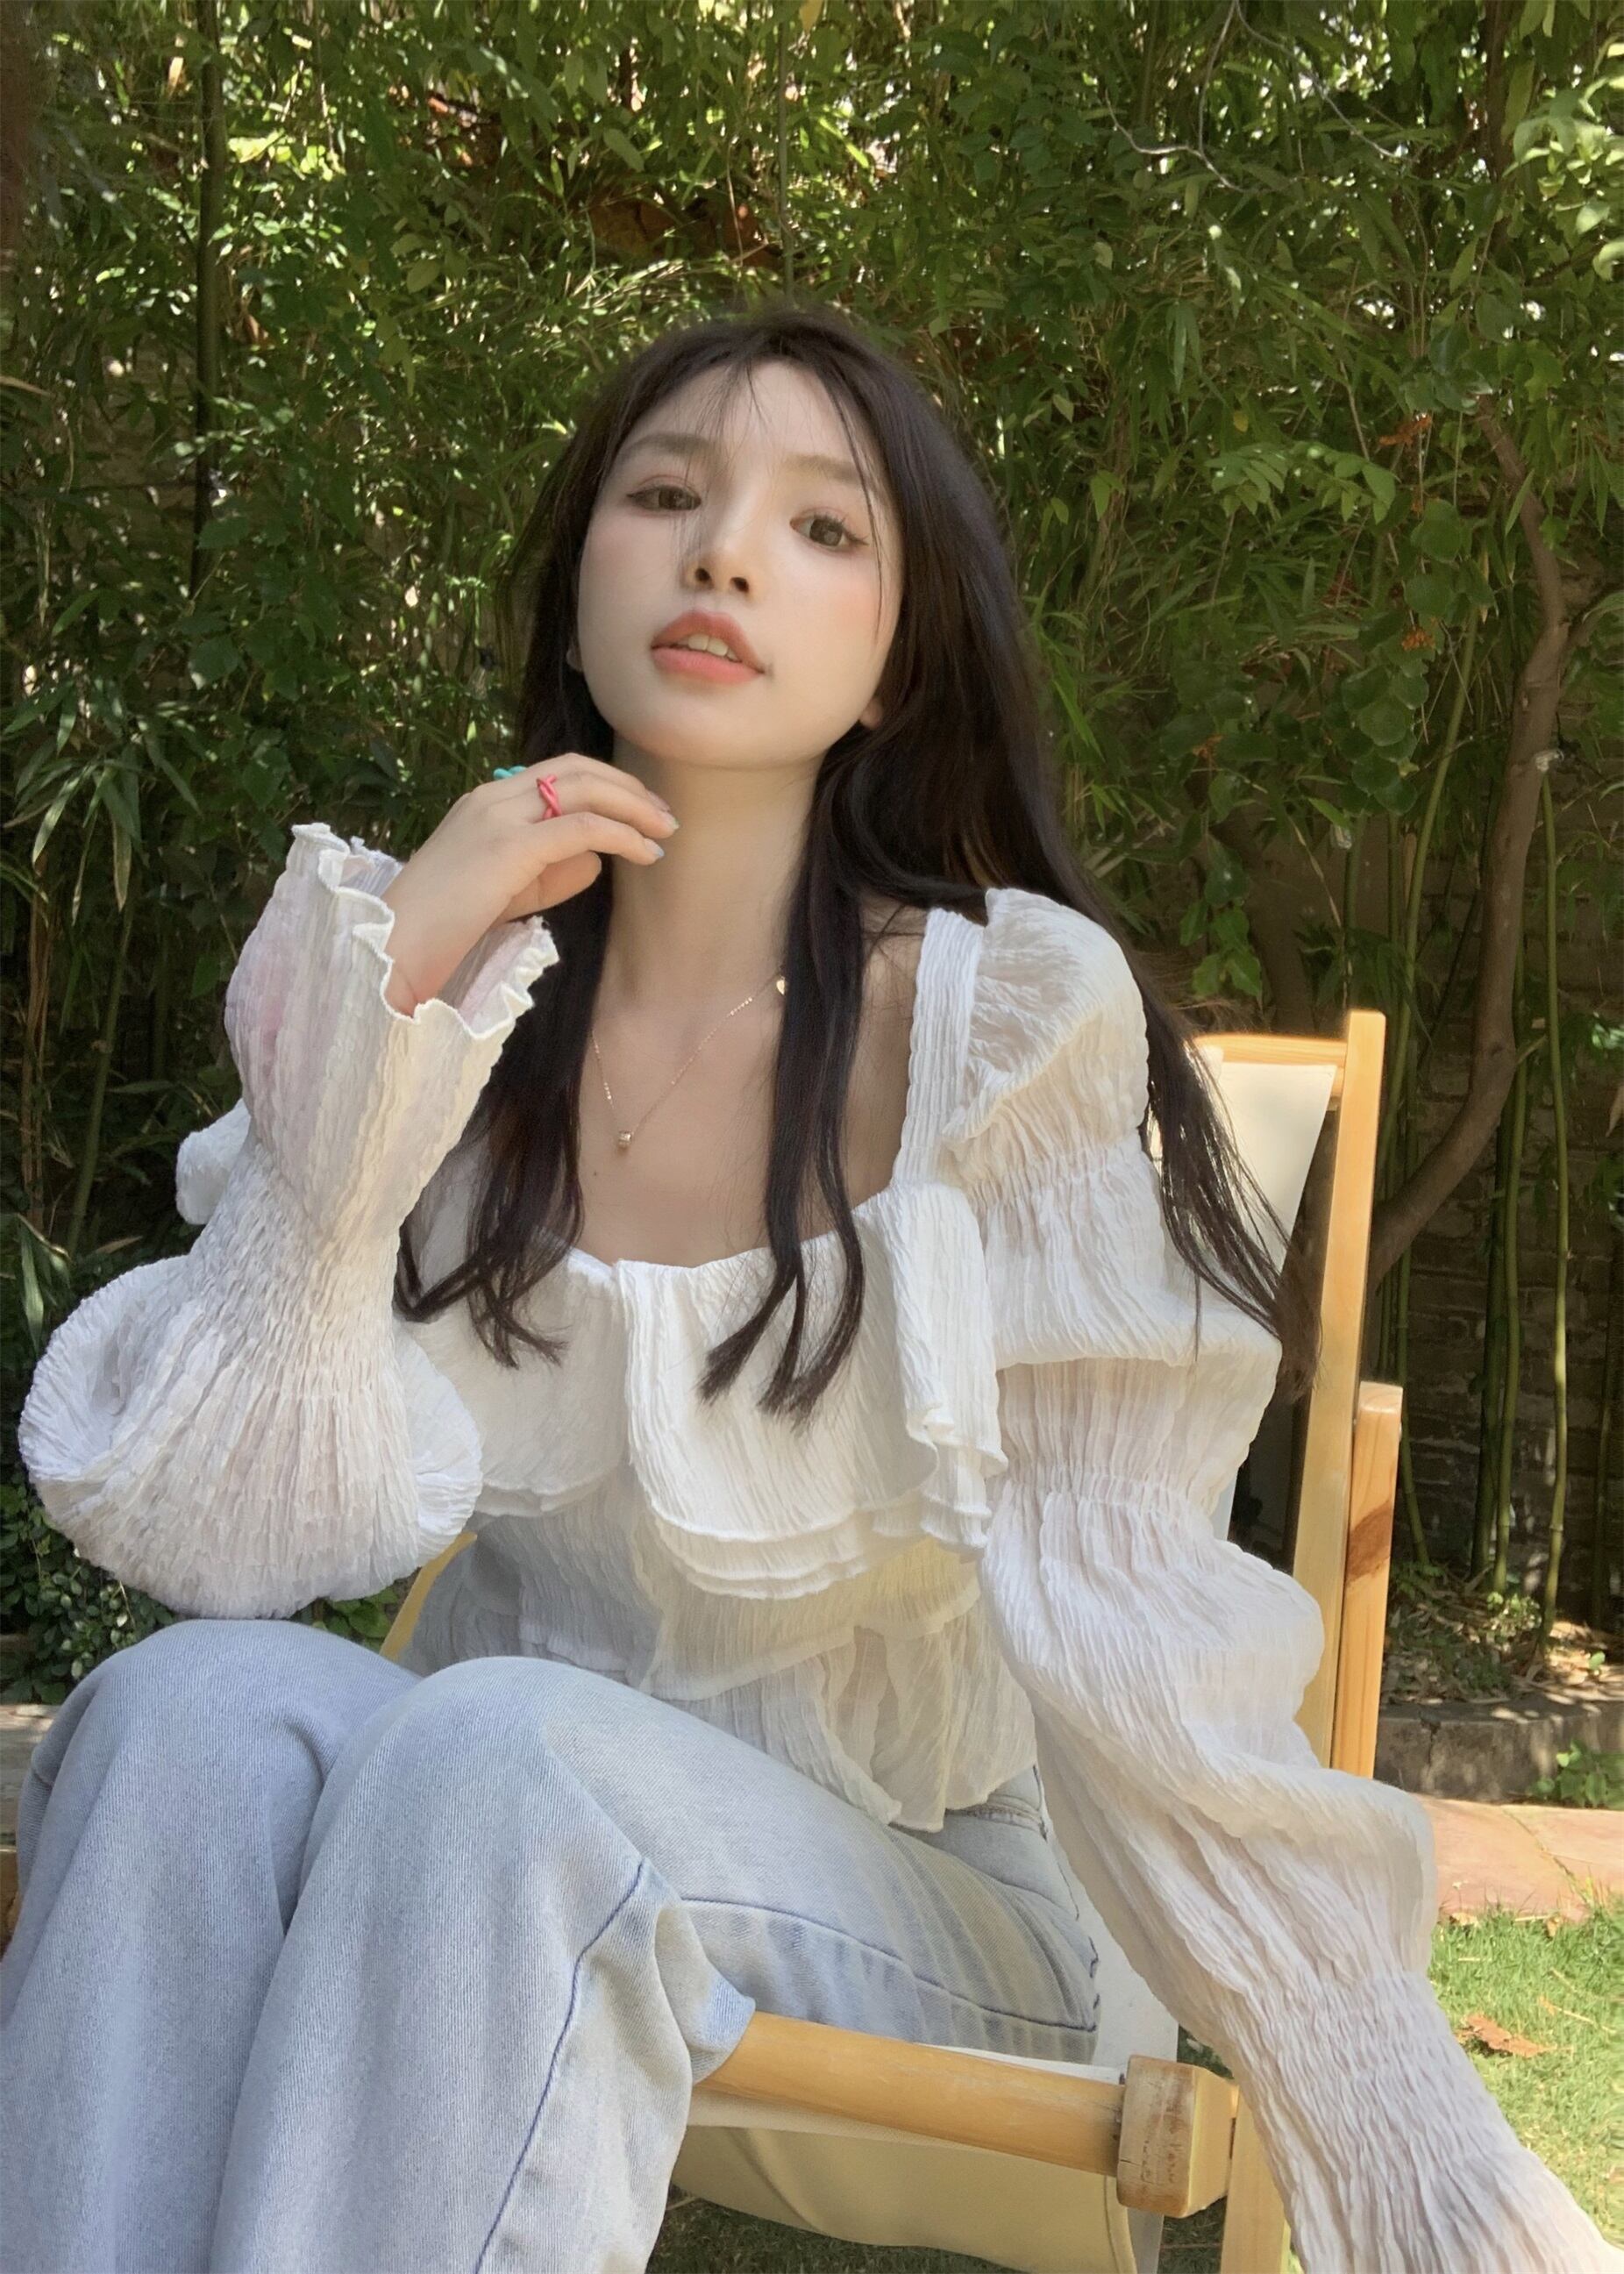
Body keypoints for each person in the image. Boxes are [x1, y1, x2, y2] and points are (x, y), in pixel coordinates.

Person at [2, 302, 1613, 2274]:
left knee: (504, 1755)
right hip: (480, 1817)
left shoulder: (998, 1019)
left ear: (896, 655)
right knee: (178, 1713)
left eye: (821, 527)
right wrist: (375, 1032)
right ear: (578, 581)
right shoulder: (463, 1011)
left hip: (934, 1904)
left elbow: (1126, 1619)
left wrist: (1412, 2149)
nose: (724, 554)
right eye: (664, 496)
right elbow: (217, 1543)